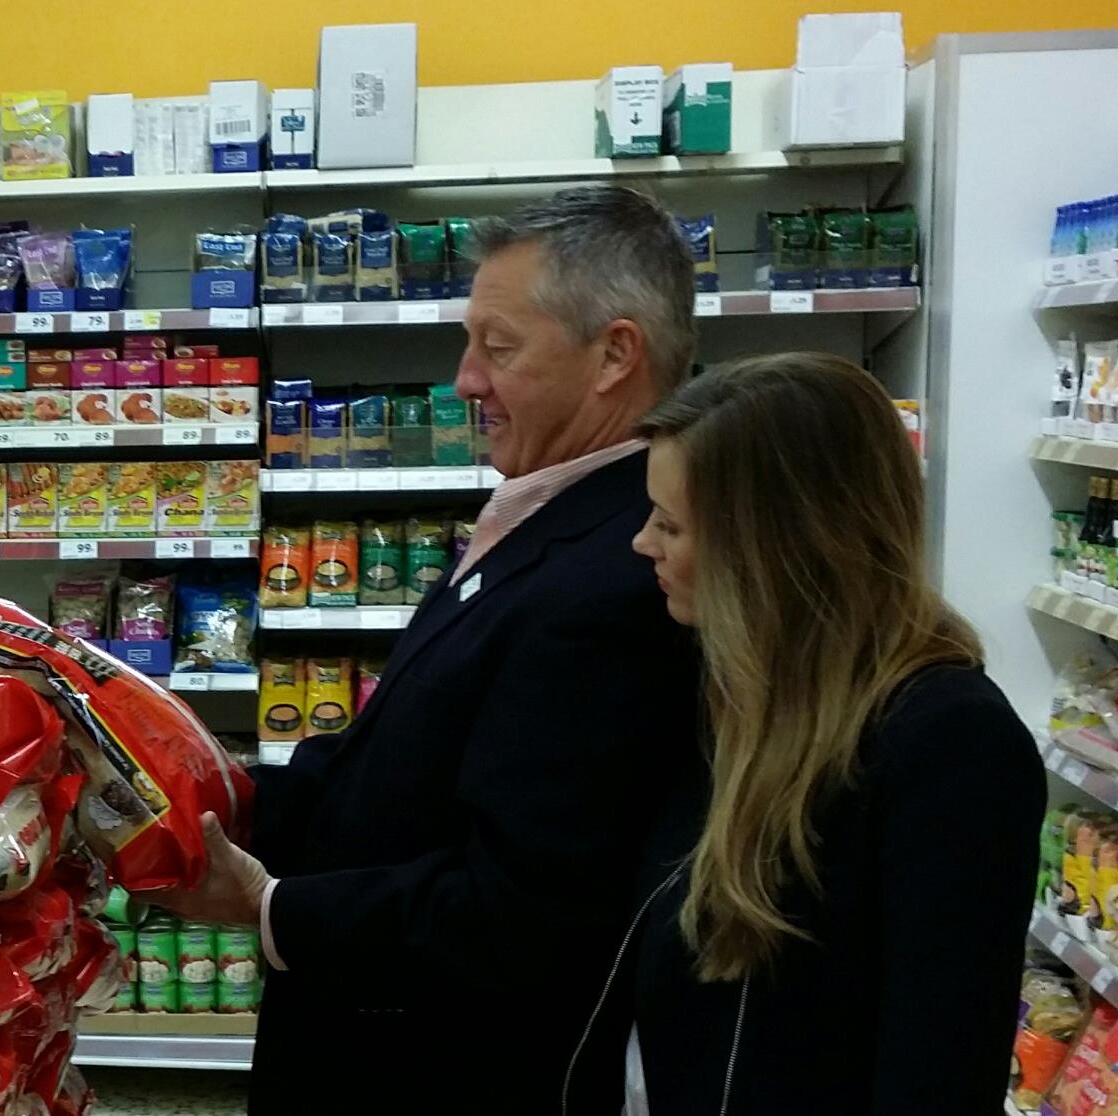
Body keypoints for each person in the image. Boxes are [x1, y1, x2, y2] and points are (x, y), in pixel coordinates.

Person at [153, 185, 703, 1113]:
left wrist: (265, 902)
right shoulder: (546, 516)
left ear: (615, 354)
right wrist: (202, 785)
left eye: (499, 348)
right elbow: (405, 769)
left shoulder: (619, 578)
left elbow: (522, 910)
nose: (463, 382)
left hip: (442, 1069)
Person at [607, 354, 1045, 1114]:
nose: (644, 543)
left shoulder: (951, 745)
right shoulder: (736, 700)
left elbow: (937, 1076)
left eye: (672, 524)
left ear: (772, 549)